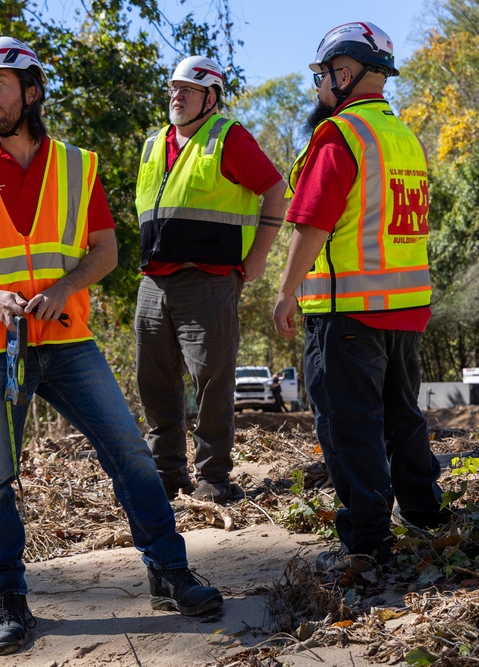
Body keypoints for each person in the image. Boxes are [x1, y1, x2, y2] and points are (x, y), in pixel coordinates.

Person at [0, 37, 222, 657]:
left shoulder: (78, 166)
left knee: (132, 458)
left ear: (31, 91)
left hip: (68, 342)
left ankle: (171, 574)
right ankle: (8, 601)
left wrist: (65, 287)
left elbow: (106, 251)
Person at [272, 22, 450, 572]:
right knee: (403, 417)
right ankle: (426, 514)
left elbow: (310, 225)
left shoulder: (339, 136)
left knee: (350, 427)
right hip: (404, 309)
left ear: (344, 73)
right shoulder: (404, 138)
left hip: (347, 313)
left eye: (322, 77)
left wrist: (285, 293)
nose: (319, 89)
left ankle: (368, 542)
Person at [134, 55, 289, 504]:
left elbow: (275, 189)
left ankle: (214, 477)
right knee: (154, 382)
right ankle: (167, 473)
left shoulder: (228, 138)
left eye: (188, 89)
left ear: (211, 97)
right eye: (173, 88)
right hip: (153, 282)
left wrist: (258, 257)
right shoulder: (152, 145)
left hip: (209, 281)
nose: (176, 96)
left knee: (212, 382)